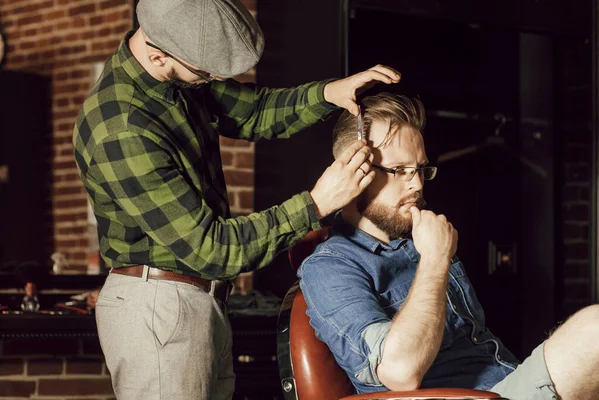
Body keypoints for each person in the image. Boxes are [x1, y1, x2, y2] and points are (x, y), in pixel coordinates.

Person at [72, 0, 401, 398]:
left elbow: (255, 111)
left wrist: (330, 93)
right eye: (204, 73)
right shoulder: (121, 127)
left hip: (202, 298)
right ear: (158, 54)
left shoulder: (174, 73)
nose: (211, 80)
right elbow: (210, 248)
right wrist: (315, 203)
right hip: (158, 306)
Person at [299, 92, 599, 400]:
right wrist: (435, 259)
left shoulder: (419, 239)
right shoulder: (329, 267)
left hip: (505, 381)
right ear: (353, 171)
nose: (417, 184)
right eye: (400, 171)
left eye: (420, 169)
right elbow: (400, 373)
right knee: (595, 331)